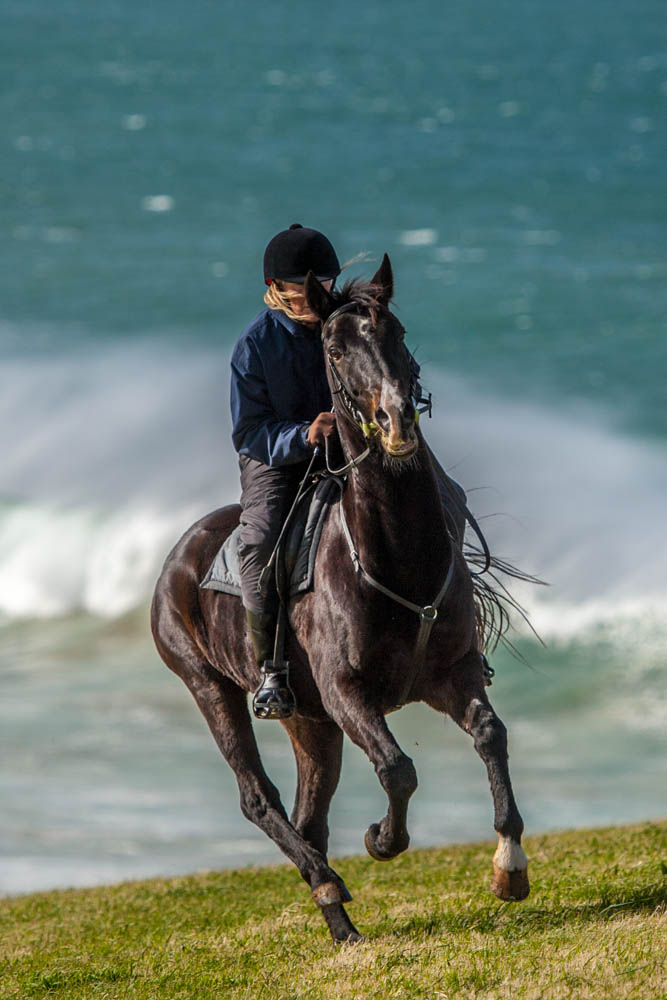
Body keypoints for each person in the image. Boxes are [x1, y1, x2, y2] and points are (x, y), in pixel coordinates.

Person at [230, 223, 468, 720]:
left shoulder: (353, 321)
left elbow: (391, 367)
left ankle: (463, 639)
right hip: (279, 454)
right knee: (259, 539)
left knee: (451, 497)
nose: (320, 297)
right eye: (304, 290)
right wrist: (303, 435)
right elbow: (250, 431)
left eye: (326, 284)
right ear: (275, 290)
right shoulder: (255, 346)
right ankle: (271, 668)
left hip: (361, 440)